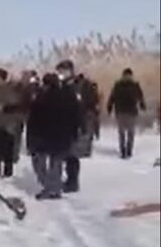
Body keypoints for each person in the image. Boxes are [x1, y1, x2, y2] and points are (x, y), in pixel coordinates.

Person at [27, 73, 80, 200]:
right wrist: (75, 132)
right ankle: (53, 189)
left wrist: (32, 137)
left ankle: (51, 188)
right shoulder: (67, 96)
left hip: (45, 136)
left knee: (42, 164)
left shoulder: (42, 97)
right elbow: (76, 115)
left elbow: (34, 117)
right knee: (55, 164)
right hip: (61, 136)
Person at [56, 60, 97, 193]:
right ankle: (68, 180)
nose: (61, 74)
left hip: (78, 123)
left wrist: (86, 122)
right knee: (66, 154)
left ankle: (72, 182)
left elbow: (91, 104)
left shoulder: (82, 85)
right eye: (60, 72)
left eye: (63, 71)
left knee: (72, 154)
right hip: (65, 123)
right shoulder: (61, 86)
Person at [107, 68, 146, 159]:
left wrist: (142, 105)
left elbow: (140, 96)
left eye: (128, 75)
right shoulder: (121, 85)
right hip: (125, 111)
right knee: (125, 132)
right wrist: (109, 106)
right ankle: (125, 150)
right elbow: (112, 97)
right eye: (126, 75)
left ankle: (127, 150)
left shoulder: (131, 85)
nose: (127, 77)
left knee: (128, 132)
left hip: (126, 111)